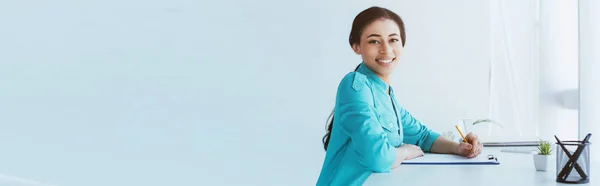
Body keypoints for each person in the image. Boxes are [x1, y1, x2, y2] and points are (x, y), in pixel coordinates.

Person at [316, 6, 483, 186]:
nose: (386, 50)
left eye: (393, 40)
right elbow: (377, 158)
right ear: (356, 46)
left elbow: (423, 136)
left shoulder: (386, 95)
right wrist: (405, 152)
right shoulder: (355, 85)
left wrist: (459, 148)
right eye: (374, 41)